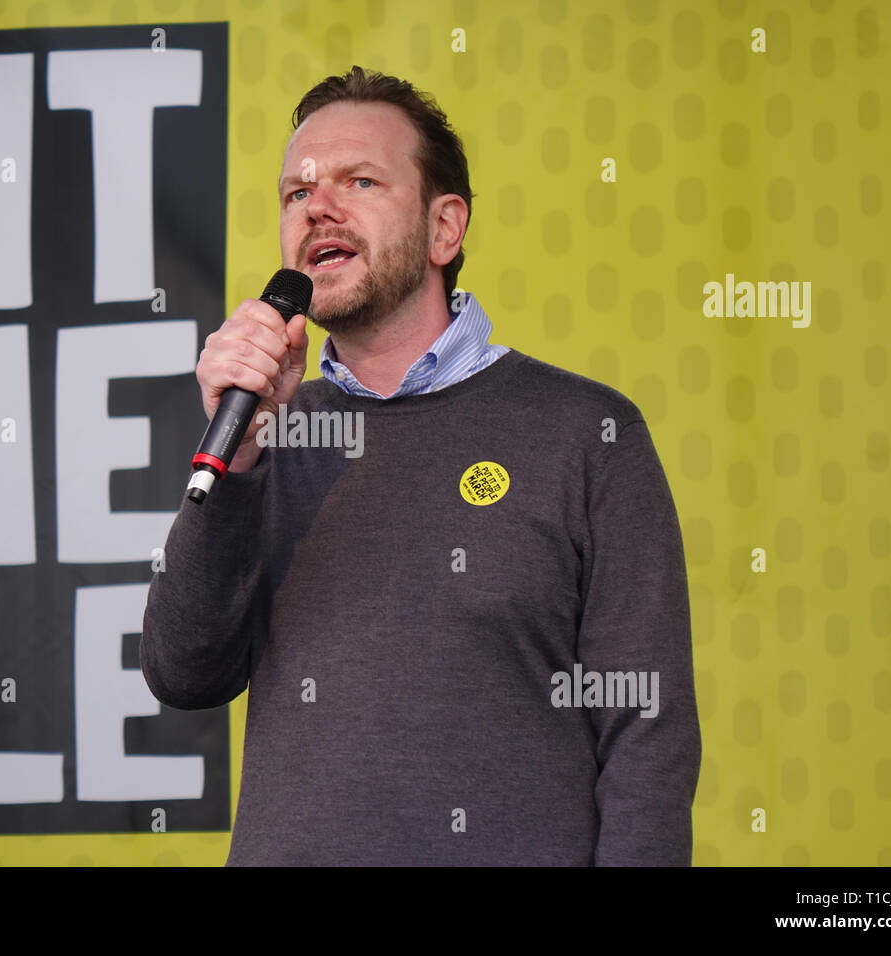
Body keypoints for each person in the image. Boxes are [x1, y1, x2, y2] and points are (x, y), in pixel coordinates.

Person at [140, 66, 700, 865]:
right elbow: (181, 672)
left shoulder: (587, 432)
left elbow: (648, 735)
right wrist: (245, 458)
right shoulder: (263, 437)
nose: (318, 207)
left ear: (446, 229)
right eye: (296, 193)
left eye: (358, 180)